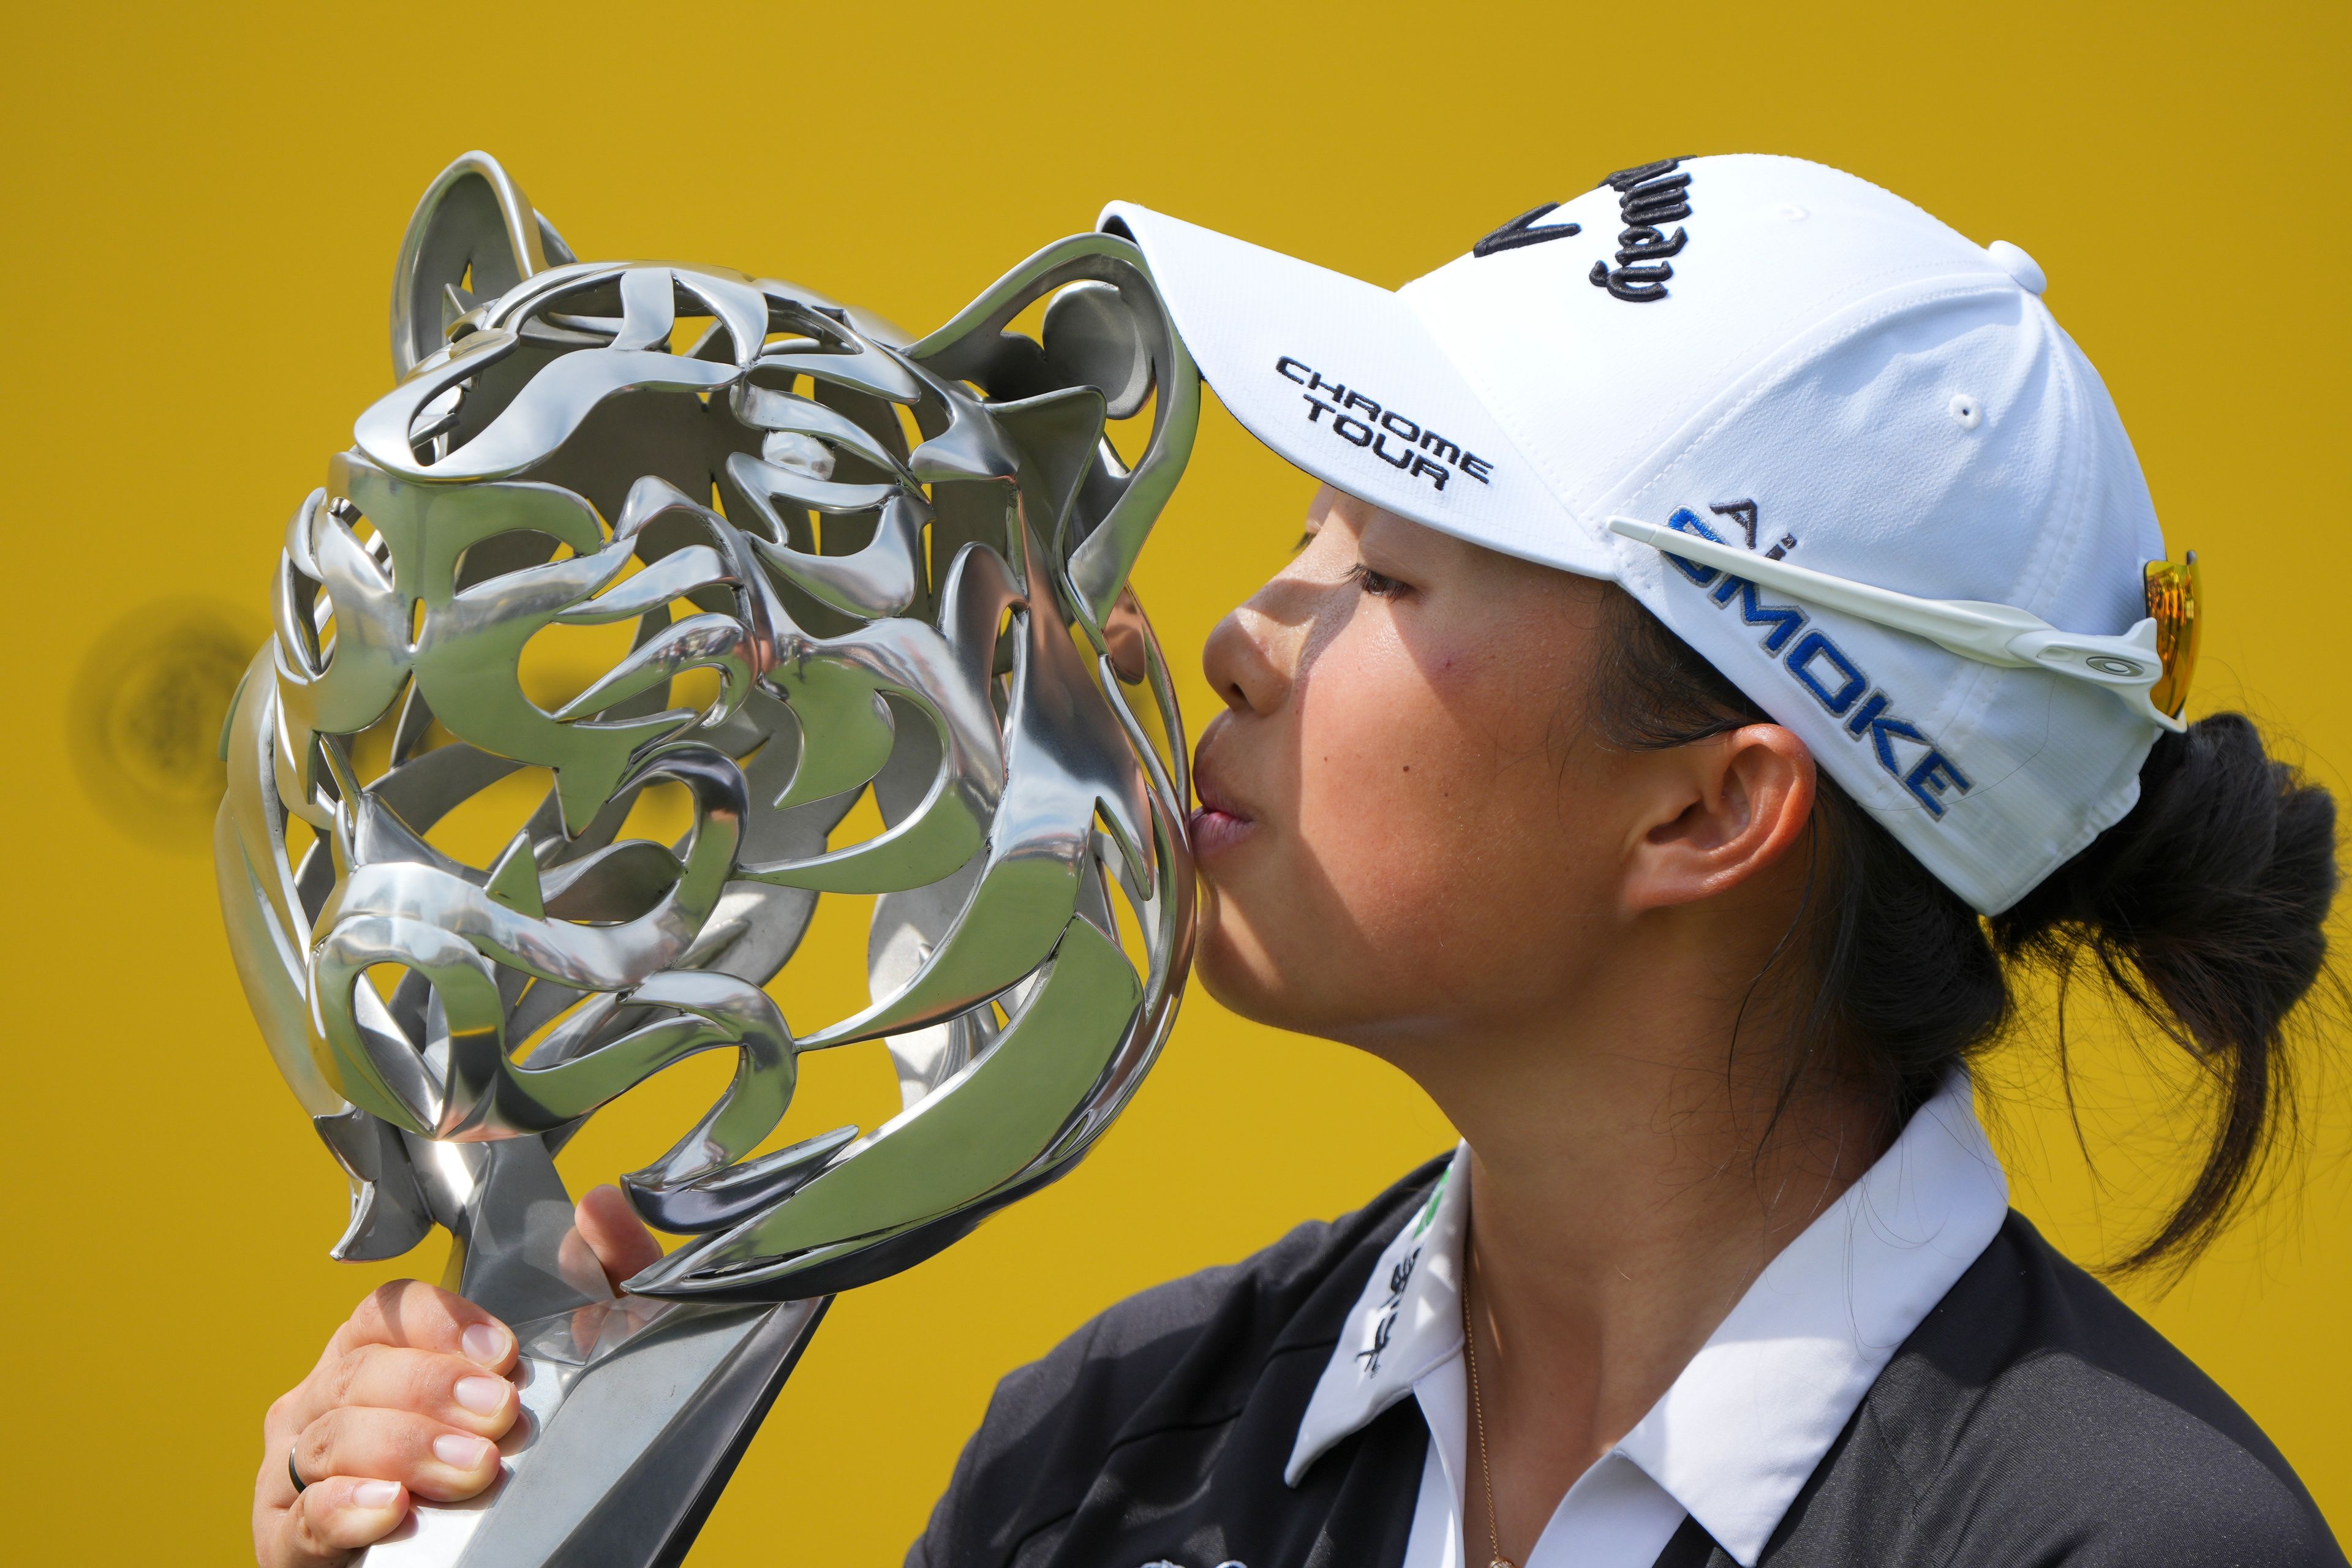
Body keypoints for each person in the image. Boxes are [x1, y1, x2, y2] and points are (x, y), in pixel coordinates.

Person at [252, 155, 2348, 1567]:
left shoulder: (2119, 1538)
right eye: (1300, 534)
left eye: (1392, 570)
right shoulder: (1106, 1445)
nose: (1242, 634)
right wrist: (517, 1511)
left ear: (1711, 807)